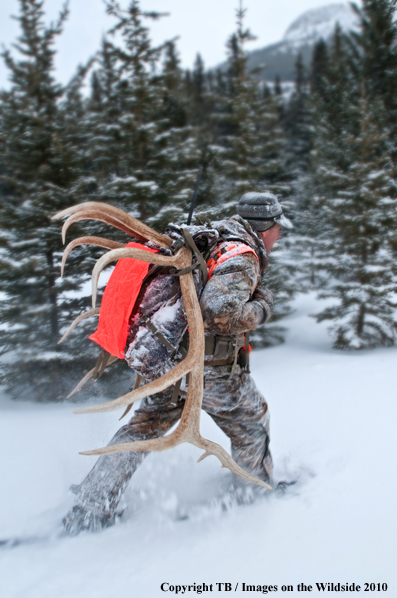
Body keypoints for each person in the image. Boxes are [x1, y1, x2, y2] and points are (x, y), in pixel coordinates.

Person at [63, 191, 293, 535]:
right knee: (251, 419)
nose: (280, 235)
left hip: (170, 360)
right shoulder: (242, 256)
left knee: (143, 426)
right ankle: (254, 489)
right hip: (212, 370)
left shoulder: (214, 239)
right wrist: (263, 307)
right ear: (266, 227)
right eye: (278, 228)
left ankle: (93, 505)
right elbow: (219, 314)